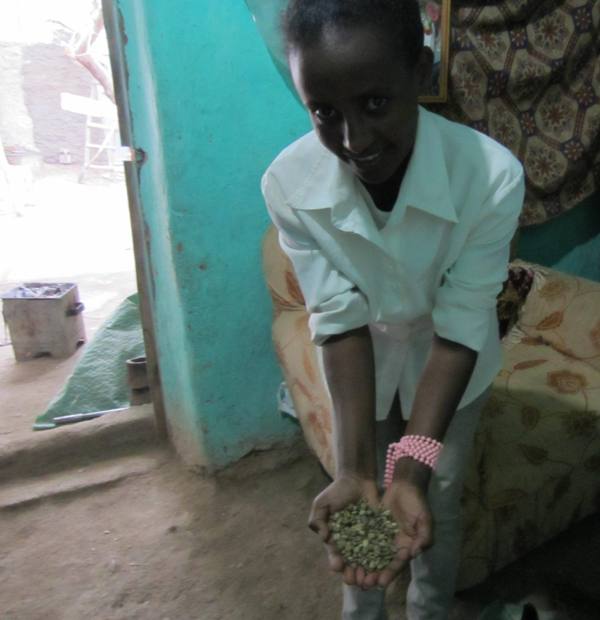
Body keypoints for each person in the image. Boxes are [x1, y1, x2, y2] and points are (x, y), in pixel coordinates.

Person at [261, 0, 525, 618]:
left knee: (437, 493)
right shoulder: (288, 185)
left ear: (421, 74)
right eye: (325, 112)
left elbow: (460, 330)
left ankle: (429, 610)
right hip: (364, 370)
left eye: (375, 103)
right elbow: (338, 316)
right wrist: (354, 468)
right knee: (359, 498)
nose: (353, 139)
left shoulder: (489, 177)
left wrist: (410, 471)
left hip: (452, 367)